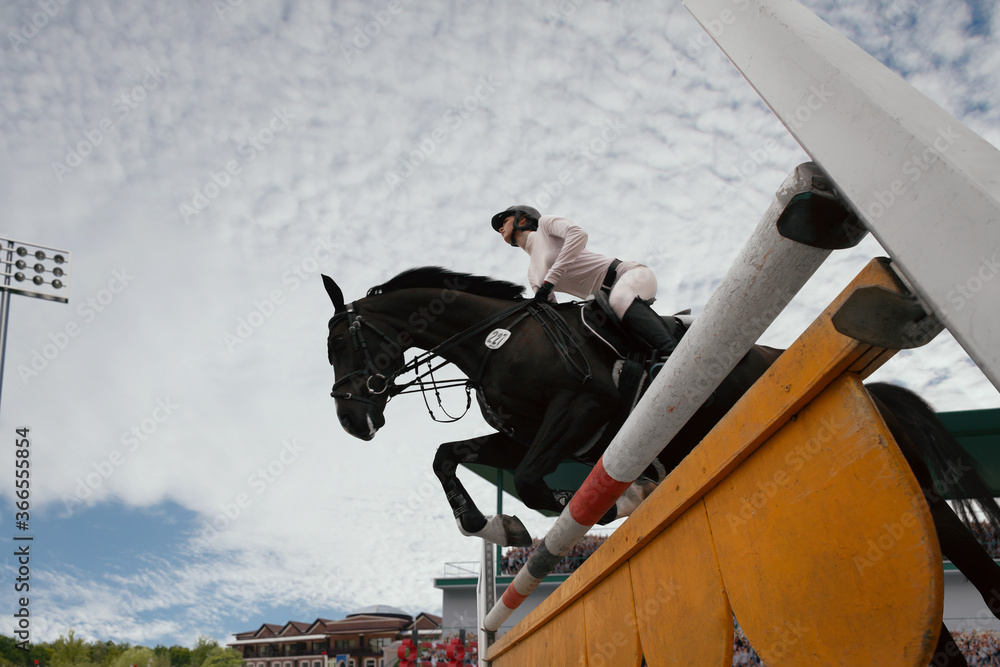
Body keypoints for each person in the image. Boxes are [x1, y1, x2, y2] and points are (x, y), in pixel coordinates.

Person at [490, 204, 678, 358]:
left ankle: (672, 355)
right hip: (604, 306)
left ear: (522, 219)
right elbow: (552, 311)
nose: (500, 228)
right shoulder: (532, 273)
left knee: (619, 299)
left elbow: (578, 234)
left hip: (629, 275)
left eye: (504, 221)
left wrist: (551, 279)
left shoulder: (546, 225)